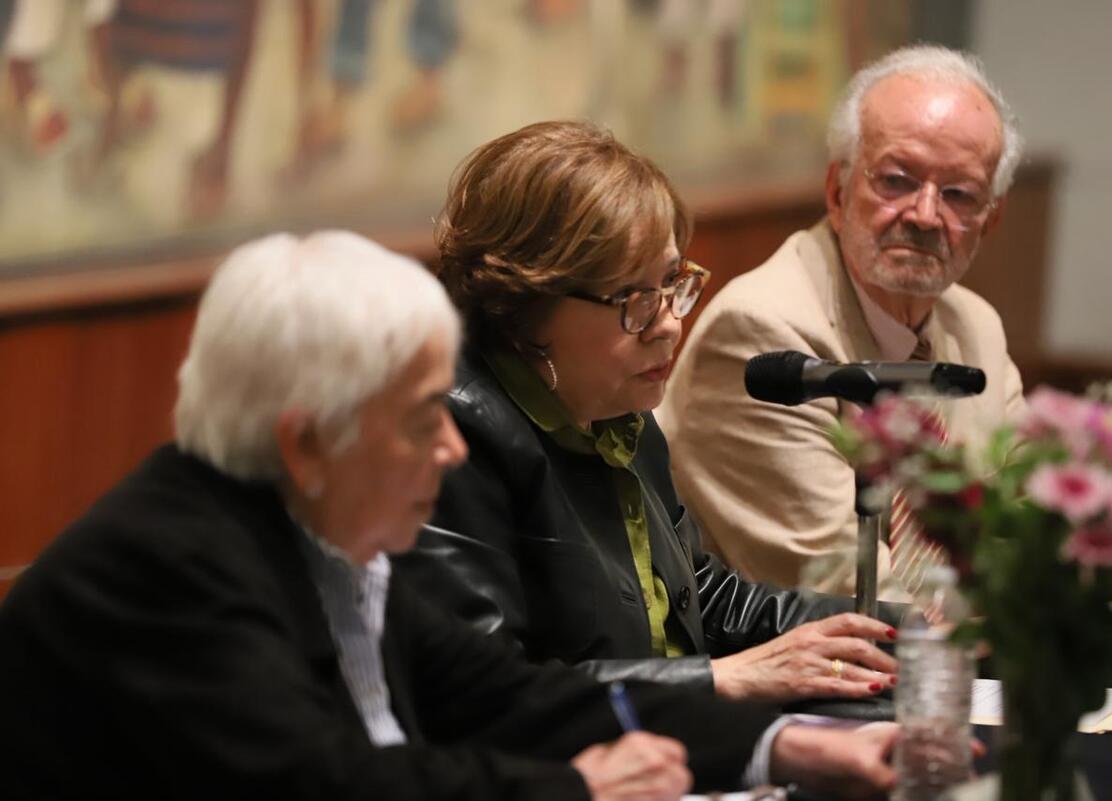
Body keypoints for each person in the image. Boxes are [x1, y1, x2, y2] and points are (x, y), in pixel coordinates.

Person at [0, 231, 902, 800]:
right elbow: (326, 781)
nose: (453, 446)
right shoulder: (165, 568)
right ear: (307, 441)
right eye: (422, 416)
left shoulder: (315, 531)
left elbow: (515, 697)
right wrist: (574, 788)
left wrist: (782, 747)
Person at [394, 120, 901, 706]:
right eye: (634, 301)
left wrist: (903, 632)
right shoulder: (453, 438)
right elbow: (485, 692)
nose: (668, 324)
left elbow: (700, 598)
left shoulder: (618, 412)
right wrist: (722, 680)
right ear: (526, 305)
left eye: (671, 285)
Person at [659, 45, 1027, 601]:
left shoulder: (976, 325)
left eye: (958, 194)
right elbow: (846, 583)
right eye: (897, 181)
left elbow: (1037, 518)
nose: (926, 216)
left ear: (989, 220)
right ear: (837, 191)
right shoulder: (762, 331)